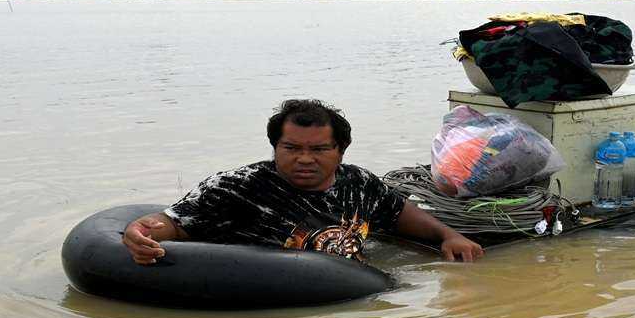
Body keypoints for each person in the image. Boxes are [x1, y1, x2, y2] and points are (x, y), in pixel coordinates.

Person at [122, 99, 485, 264]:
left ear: (340, 150)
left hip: (349, 293)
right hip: (272, 297)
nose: (305, 158)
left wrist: (448, 236)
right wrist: (139, 234)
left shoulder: (358, 182)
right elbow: (172, 223)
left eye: (319, 149)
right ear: (275, 147)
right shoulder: (238, 187)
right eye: (291, 147)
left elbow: (400, 211)